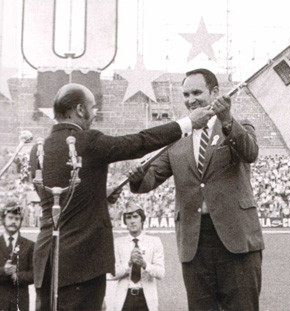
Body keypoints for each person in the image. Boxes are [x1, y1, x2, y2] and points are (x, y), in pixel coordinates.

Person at [29, 83, 213, 311]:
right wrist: (187, 123)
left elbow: (60, 199)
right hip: (82, 263)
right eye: (92, 108)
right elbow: (139, 142)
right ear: (79, 109)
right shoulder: (88, 141)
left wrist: (98, 195)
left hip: (46, 261)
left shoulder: (38, 150)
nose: (95, 114)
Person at [130, 68, 264, 311]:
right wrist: (137, 176)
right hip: (194, 243)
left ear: (214, 92)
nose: (191, 100)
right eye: (186, 94)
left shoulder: (237, 125)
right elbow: (149, 180)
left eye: (197, 92)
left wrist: (226, 119)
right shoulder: (176, 138)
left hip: (236, 239)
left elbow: (251, 152)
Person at [110, 203, 164, 311]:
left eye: (135, 217)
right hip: (125, 298)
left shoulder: (154, 242)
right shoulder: (118, 243)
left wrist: (145, 265)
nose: (132, 221)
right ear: (125, 222)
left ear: (142, 219)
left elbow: (160, 273)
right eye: (128, 218)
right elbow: (113, 274)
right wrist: (129, 263)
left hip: (147, 298)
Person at [0, 202, 34, 311]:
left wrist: (17, 276)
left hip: (20, 303)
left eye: (17, 219)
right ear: (3, 219)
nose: (13, 221)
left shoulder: (30, 245)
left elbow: (35, 274)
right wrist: (3, 271)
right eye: (10, 218)